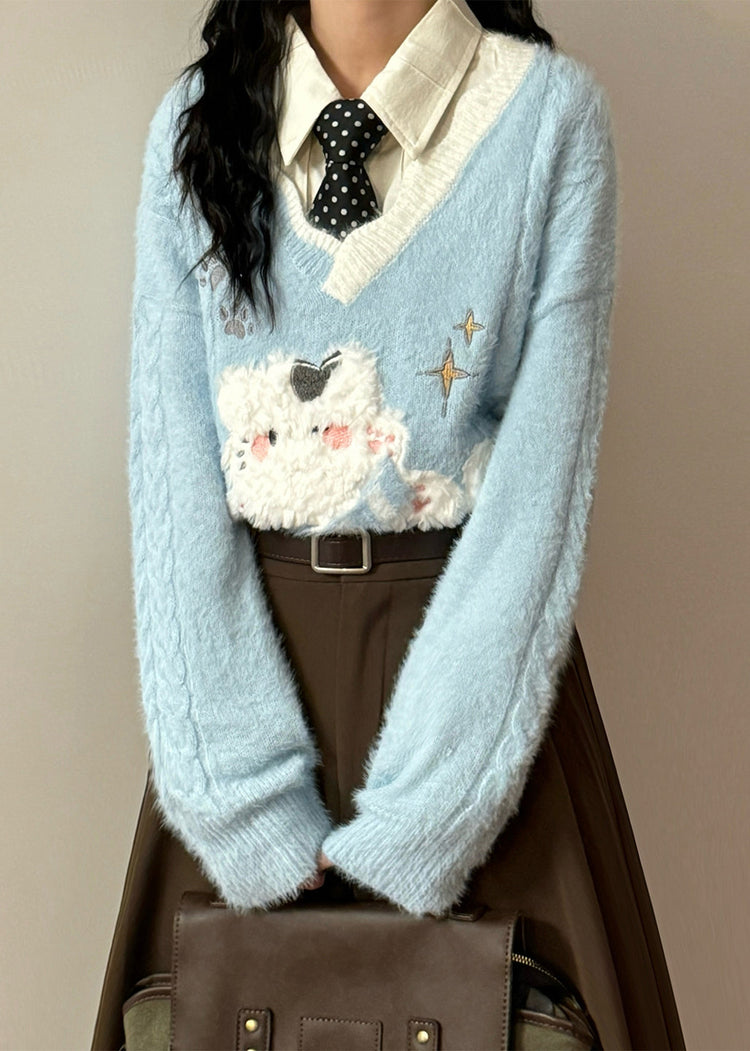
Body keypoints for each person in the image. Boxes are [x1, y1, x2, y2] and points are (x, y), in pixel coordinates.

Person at [91, 1, 686, 1048]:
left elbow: (541, 495)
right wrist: (237, 796)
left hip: (476, 697)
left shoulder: (547, 120)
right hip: (244, 688)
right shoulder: (196, 125)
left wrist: (437, 807)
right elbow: (171, 485)